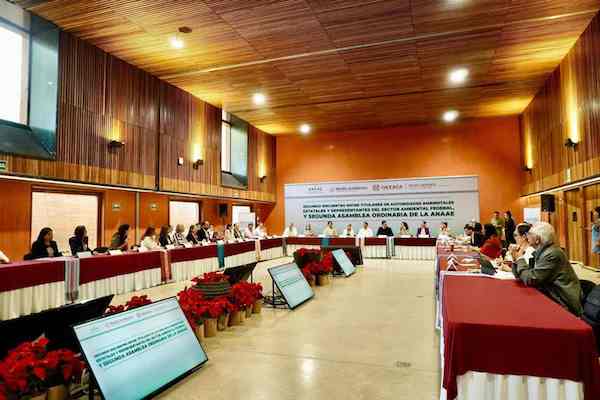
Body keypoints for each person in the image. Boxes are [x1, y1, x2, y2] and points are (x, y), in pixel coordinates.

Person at [511, 222, 583, 316]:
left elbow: (531, 279)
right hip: (551, 294)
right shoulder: (542, 251)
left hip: (563, 301)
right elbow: (521, 276)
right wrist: (515, 259)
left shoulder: (552, 254)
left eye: (530, 234)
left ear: (537, 239)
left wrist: (520, 259)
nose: (527, 236)